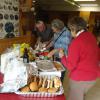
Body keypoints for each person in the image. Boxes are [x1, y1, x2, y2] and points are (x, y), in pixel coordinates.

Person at [59, 16, 99, 100]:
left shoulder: (76, 42)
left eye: (70, 30)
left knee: (75, 97)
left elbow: (70, 66)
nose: (70, 32)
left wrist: (62, 57)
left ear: (74, 29)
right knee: (81, 95)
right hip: (93, 76)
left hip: (81, 78)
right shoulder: (91, 36)